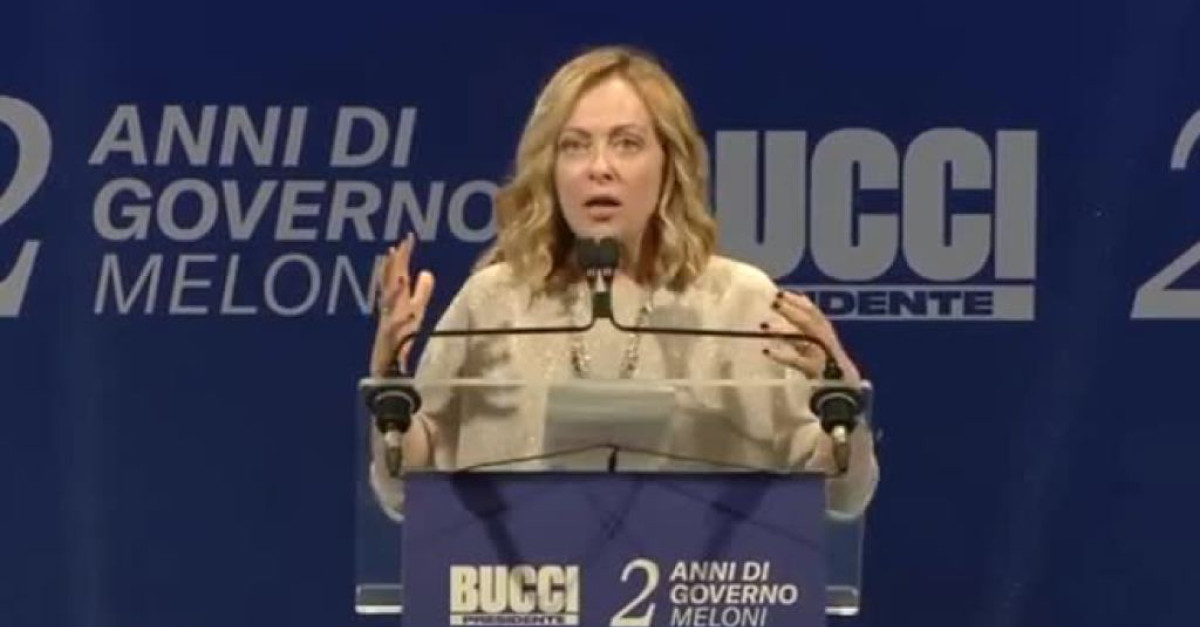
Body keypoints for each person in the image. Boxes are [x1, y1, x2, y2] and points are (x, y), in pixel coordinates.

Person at [367, 45, 878, 520]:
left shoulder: (740, 302)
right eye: (575, 146)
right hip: (522, 584)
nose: (599, 168)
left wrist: (842, 405)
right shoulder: (494, 301)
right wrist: (388, 388)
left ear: (670, 164)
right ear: (551, 168)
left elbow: (841, 495)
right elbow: (406, 487)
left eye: (627, 144)